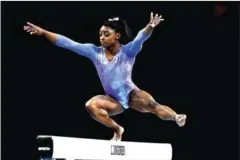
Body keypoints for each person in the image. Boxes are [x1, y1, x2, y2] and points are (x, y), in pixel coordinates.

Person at [24, 12, 187, 141]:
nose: (101, 37)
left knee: (152, 105)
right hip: (113, 100)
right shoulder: (94, 52)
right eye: (100, 34)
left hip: (131, 94)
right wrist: (43, 32)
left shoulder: (128, 51)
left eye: (106, 34)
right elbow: (68, 43)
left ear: (117, 36)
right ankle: (117, 129)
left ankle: (176, 117)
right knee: (91, 106)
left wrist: (150, 26)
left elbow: (140, 38)